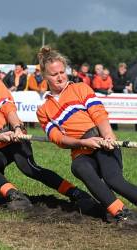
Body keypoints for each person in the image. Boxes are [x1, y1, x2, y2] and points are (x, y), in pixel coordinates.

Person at [0, 60, 92, 210]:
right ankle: (15, 196)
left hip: (15, 136)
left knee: (30, 169)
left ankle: (75, 193)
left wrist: (17, 128)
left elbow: (8, 107)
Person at [36, 46, 137, 225]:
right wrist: (83, 142)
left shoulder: (80, 88)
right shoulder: (43, 110)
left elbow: (99, 114)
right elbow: (58, 139)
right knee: (78, 167)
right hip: (81, 147)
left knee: (112, 179)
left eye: (62, 72)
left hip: (100, 139)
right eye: (54, 74)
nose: (60, 77)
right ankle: (120, 212)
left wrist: (108, 136)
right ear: (44, 76)